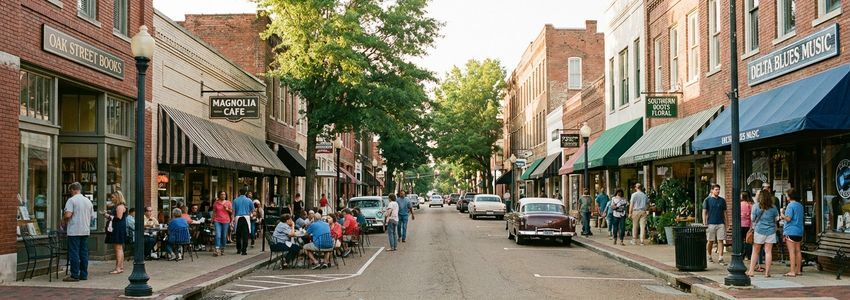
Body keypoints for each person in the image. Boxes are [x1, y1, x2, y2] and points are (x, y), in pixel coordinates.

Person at [63, 182, 93, 282]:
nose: (70, 193)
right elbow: (92, 216)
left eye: (70, 191)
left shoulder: (71, 200)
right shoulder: (88, 201)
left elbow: (68, 215)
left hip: (74, 230)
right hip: (85, 230)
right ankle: (84, 274)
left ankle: (74, 274)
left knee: (74, 252)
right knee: (83, 253)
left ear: (73, 190)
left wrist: (63, 220)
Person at [747, 190, 779, 277]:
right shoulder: (773, 207)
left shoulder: (756, 206)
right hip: (771, 231)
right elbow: (777, 219)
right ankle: (767, 272)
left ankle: (751, 271)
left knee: (755, 251)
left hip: (759, 230)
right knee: (768, 252)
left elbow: (753, 219)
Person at [702, 184, 727, 264]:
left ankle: (720, 258)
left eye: (718, 189)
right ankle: (709, 255)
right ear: (712, 190)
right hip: (711, 223)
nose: (718, 191)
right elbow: (704, 211)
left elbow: (725, 212)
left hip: (720, 223)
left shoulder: (722, 200)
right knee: (710, 241)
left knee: (721, 240)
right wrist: (704, 222)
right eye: (716, 189)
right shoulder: (707, 200)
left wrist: (727, 222)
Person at [782, 188, 804, 277]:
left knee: (791, 252)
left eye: (787, 195)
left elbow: (788, 218)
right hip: (799, 230)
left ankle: (792, 271)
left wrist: (782, 214)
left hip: (791, 230)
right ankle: (798, 270)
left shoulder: (790, 205)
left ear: (790, 196)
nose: (786, 197)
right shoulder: (800, 205)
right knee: (798, 251)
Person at [105, 191, 127, 274]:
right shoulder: (119, 206)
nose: (112, 199)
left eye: (113, 197)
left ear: (118, 197)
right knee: (119, 248)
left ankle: (118, 268)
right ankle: (120, 267)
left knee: (118, 248)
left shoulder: (119, 207)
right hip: (119, 228)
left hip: (118, 228)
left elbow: (118, 217)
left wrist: (107, 215)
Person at [233, 187, 255, 255]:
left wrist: (232, 219)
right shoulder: (249, 200)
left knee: (238, 234)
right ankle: (244, 250)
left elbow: (233, 210)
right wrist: (250, 214)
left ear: (239, 193)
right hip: (246, 217)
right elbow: (253, 210)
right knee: (245, 234)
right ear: (246, 193)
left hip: (238, 217)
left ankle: (238, 249)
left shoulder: (235, 200)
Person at [212, 191, 233, 257]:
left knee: (224, 236)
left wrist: (227, 209)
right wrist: (212, 220)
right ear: (219, 195)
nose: (223, 196)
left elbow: (232, 212)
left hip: (226, 220)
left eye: (224, 194)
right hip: (217, 220)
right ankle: (217, 249)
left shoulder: (228, 202)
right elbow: (214, 212)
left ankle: (222, 248)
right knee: (218, 235)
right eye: (221, 194)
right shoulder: (216, 203)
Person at [740, 191, 754, 261]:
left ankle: (741, 255)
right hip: (748, 225)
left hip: (740, 225)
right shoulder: (750, 205)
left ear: (742, 197)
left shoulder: (739, 204)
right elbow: (752, 217)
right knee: (748, 241)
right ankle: (748, 255)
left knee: (741, 241)